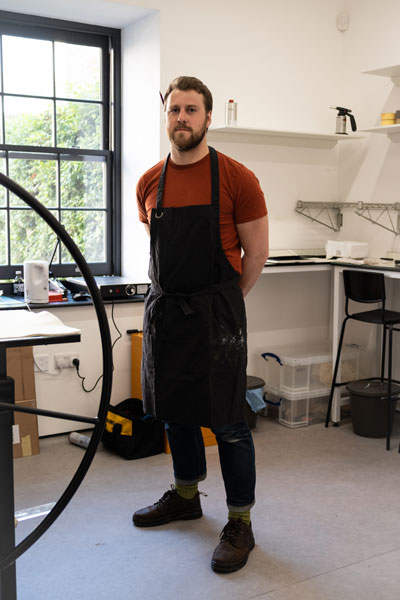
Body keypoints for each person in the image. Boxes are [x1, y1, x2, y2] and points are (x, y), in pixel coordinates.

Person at [133, 76, 269, 573]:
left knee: (230, 422)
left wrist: (224, 305)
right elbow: (159, 248)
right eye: (175, 110)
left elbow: (256, 255)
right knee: (176, 412)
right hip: (166, 313)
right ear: (166, 116)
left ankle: (240, 522)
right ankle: (186, 496)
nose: (182, 118)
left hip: (217, 315)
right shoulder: (149, 181)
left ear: (208, 117)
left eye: (192, 109)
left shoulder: (237, 178)